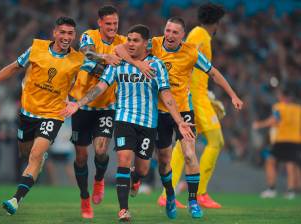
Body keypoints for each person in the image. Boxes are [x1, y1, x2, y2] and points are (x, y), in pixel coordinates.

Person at [61, 24, 195, 222]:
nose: (130, 44)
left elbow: (166, 96)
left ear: (146, 44)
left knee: (143, 169)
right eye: (129, 40)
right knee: (123, 159)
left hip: (149, 124)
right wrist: (78, 104)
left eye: (135, 40)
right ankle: (123, 210)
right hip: (124, 119)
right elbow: (100, 87)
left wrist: (180, 121)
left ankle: (169, 194)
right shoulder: (118, 65)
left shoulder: (156, 65)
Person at [115, 17, 243, 218]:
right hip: (158, 113)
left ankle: (193, 201)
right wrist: (137, 64)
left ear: (183, 35)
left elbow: (213, 73)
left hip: (183, 112)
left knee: (190, 154)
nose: (170, 35)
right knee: (164, 161)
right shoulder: (153, 43)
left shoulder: (191, 52)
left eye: (175, 32)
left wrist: (233, 95)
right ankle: (148, 183)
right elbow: (120, 49)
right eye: (168, 30)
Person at [0, 17, 94, 215]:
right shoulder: (36, 49)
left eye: (70, 34)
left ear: (74, 36)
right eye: (62, 32)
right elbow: (14, 67)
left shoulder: (78, 59)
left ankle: (16, 199)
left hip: (53, 115)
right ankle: (38, 162)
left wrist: (80, 101)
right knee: (25, 153)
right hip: (27, 113)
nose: (66, 37)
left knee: (35, 155)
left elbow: (99, 78)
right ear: (54, 33)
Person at [68, 5, 152, 219]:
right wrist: (106, 58)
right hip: (82, 104)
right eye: (108, 24)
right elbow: (87, 54)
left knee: (102, 149)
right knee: (80, 156)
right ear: (100, 23)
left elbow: (129, 55)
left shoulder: (123, 41)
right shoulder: (90, 36)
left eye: (115, 23)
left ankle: (99, 180)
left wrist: (136, 63)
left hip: (107, 106)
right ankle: (84, 198)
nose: (113, 27)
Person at [158, 3, 228, 209]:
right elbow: (186, 60)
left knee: (183, 144)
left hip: (199, 96)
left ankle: (166, 193)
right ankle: (200, 193)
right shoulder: (199, 34)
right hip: (195, 98)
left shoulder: (200, 34)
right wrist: (202, 93)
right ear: (216, 22)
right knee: (216, 141)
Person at [253, 89, 301, 199]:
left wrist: (259, 125)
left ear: (283, 96)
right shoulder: (298, 109)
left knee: (270, 161)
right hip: (296, 140)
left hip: (282, 139)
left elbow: (275, 119)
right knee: (290, 164)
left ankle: (271, 189)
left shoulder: (279, 106)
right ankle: (291, 191)